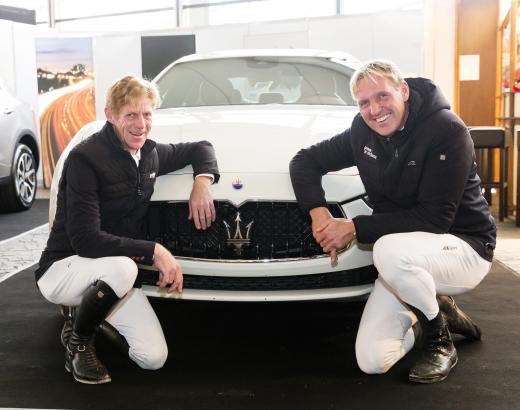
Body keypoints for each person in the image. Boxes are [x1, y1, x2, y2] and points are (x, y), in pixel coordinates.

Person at [289, 60, 496, 383]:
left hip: (464, 246)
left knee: (387, 249)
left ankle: (438, 341)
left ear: (403, 91)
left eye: (383, 96)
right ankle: (436, 310)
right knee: (373, 360)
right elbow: (305, 161)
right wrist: (318, 212)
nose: (375, 110)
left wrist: (354, 227)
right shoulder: (362, 131)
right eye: (364, 103)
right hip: (404, 256)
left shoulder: (446, 130)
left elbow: (435, 218)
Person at [35, 75, 219, 385]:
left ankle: (84, 318)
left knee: (152, 358)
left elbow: (202, 147)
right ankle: (79, 342)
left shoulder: (149, 153)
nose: (141, 124)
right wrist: (155, 251)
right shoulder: (86, 158)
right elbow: (85, 240)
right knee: (123, 268)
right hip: (64, 268)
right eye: (130, 115)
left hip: (111, 274)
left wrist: (203, 181)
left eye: (147, 114)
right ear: (110, 115)